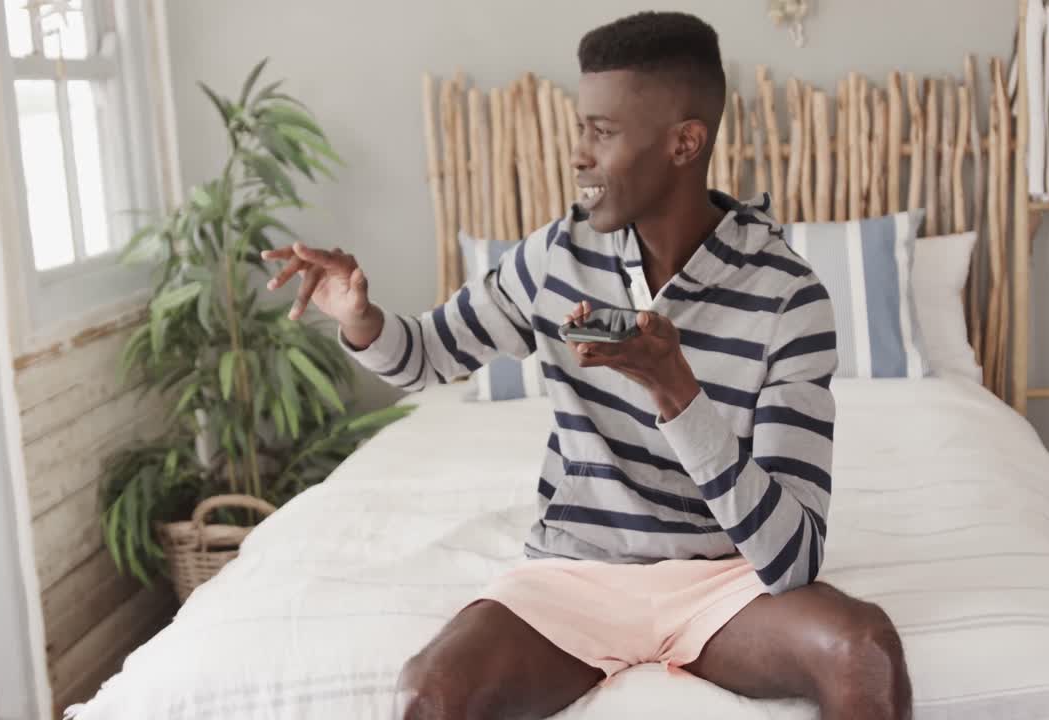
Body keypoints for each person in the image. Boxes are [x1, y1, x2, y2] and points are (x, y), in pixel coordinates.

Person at [263, 11, 911, 719]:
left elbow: (793, 557)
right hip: (573, 580)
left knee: (865, 649)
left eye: (602, 133)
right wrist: (360, 316)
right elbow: (425, 358)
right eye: (581, 128)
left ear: (684, 144)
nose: (577, 155)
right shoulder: (555, 258)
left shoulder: (789, 298)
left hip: (724, 582)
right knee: (428, 690)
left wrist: (678, 394)